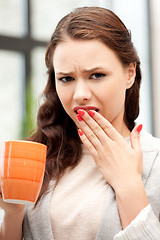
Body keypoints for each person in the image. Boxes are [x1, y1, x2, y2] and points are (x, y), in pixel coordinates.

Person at [0, 6, 160, 240]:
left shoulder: (155, 161)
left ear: (130, 74)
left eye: (96, 75)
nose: (79, 95)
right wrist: (12, 212)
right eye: (66, 78)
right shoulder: (43, 158)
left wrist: (128, 185)